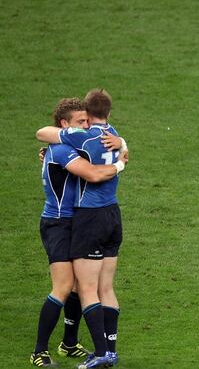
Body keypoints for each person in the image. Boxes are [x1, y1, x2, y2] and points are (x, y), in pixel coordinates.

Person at [31, 98, 126, 368]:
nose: (86, 126)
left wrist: (122, 144)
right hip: (58, 224)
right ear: (65, 124)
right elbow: (92, 174)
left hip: (79, 221)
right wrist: (121, 163)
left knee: (78, 285)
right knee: (63, 287)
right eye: (80, 122)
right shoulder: (62, 149)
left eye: (87, 120)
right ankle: (39, 351)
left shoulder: (73, 144)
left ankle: (69, 343)